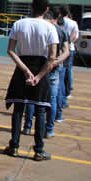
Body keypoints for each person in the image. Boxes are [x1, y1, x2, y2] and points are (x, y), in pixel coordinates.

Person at [4, 0, 58, 161]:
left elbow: (11, 50)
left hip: (22, 68)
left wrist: (26, 71)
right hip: (41, 68)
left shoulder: (19, 24)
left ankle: (14, 146)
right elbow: (52, 57)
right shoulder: (50, 27)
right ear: (46, 10)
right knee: (40, 110)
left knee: (18, 108)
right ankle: (39, 150)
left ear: (31, 7)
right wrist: (39, 76)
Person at [22, 10, 70, 139]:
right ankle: (49, 130)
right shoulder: (61, 31)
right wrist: (55, 62)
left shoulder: (39, 28)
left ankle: (27, 127)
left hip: (38, 66)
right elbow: (66, 52)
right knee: (52, 99)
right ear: (56, 18)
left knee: (31, 98)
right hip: (53, 68)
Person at [58, 5, 78, 101]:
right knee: (68, 70)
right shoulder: (73, 23)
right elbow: (75, 36)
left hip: (60, 48)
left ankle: (61, 91)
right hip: (70, 48)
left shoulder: (58, 21)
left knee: (61, 70)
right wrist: (70, 44)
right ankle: (68, 92)